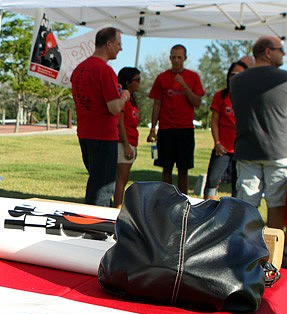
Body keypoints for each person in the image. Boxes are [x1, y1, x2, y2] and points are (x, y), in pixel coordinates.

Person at [230, 36, 287, 230]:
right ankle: (275, 253)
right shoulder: (284, 79)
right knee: (276, 204)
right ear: (268, 52)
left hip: (247, 150)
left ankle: (248, 251)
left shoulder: (237, 81)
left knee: (247, 204)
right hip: (278, 150)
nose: (284, 54)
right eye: (281, 49)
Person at [70, 27, 130, 207]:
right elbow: (114, 107)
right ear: (109, 44)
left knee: (96, 181)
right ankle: (96, 229)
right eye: (119, 44)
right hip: (104, 136)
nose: (121, 48)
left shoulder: (79, 69)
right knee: (102, 188)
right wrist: (125, 96)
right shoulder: (105, 71)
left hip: (85, 134)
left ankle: (95, 223)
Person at [147, 44, 204, 194]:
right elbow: (157, 104)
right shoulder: (162, 77)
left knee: (183, 169)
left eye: (179, 57)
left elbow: (197, 102)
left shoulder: (193, 77)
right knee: (166, 168)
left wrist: (184, 85)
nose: (176, 60)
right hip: (166, 129)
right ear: (170, 58)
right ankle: (165, 198)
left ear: (185, 58)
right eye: (173, 57)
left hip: (185, 129)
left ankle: (182, 200)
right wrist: (153, 128)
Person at [204, 60, 248, 200]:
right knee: (212, 180)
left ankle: (233, 217)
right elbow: (214, 122)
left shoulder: (249, 97)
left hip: (241, 149)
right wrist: (217, 142)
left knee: (237, 185)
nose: (235, 77)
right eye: (232, 74)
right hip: (222, 148)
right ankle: (206, 214)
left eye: (239, 75)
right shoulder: (221, 96)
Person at [114, 66, 141, 208]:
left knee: (124, 178)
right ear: (127, 82)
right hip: (123, 144)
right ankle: (117, 207)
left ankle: (118, 205)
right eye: (137, 80)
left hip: (132, 142)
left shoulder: (132, 100)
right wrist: (126, 145)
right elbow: (120, 123)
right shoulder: (122, 99)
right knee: (121, 179)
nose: (139, 82)